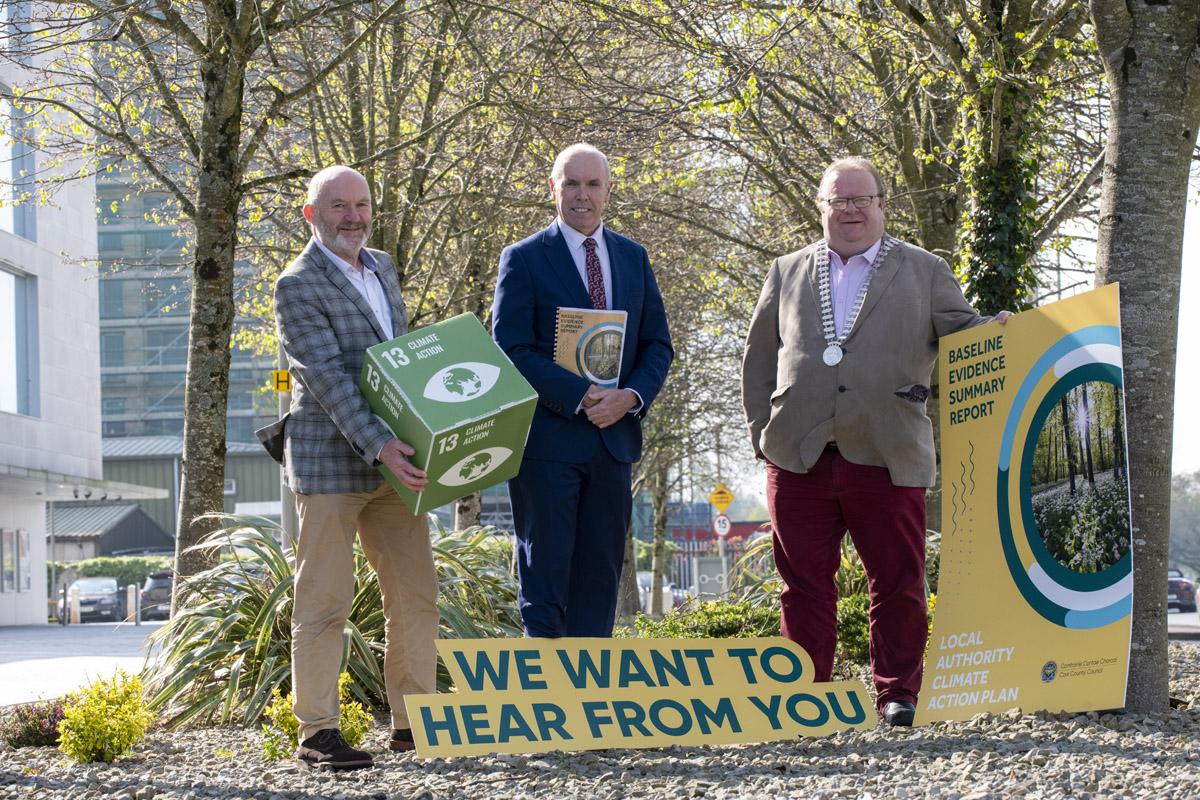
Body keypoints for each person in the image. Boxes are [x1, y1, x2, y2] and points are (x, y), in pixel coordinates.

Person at [741, 156, 1010, 727]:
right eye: (838, 201)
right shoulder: (785, 270)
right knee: (802, 586)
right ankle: (804, 695)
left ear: (883, 204)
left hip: (888, 453)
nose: (850, 210)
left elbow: (963, 336)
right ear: (821, 208)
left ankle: (897, 694)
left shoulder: (925, 268)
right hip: (798, 455)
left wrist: (998, 331)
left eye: (862, 199)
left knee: (898, 582)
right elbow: (760, 362)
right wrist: (761, 436)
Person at [266, 165, 437, 768]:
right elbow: (326, 379)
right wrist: (381, 443)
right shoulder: (297, 284)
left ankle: (415, 724)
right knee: (325, 601)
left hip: (396, 464)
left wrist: (423, 438)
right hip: (331, 464)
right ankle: (316, 733)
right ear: (311, 215)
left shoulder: (383, 266)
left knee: (416, 597)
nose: (353, 216)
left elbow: (401, 362)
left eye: (361, 204)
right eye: (338, 206)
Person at [492, 143, 673, 638]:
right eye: (570, 183)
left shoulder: (633, 258)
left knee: (600, 578)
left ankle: (589, 697)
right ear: (552, 188)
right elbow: (510, 347)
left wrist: (629, 397)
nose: (581, 195)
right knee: (546, 577)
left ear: (609, 191)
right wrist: (582, 395)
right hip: (546, 446)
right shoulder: (524, 259)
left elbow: (658, 344)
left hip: (612, 443)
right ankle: (545, 698)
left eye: (592, 184)